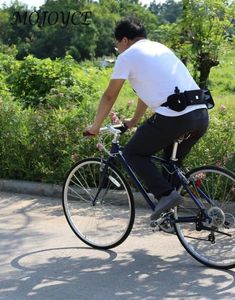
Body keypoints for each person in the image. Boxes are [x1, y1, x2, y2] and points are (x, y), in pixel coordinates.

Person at [84, 19, 209, 220]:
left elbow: (110, 95)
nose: (117, 49)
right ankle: (173, 218)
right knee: (170, 165)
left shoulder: (128, 56)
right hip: (201, 114)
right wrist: (133, 121)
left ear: (124, 40)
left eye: (116, 44)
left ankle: (166, 196)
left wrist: (96, 126)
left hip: (176, 117)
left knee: (133, 153)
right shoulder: (160, 49)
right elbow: (147, 91)